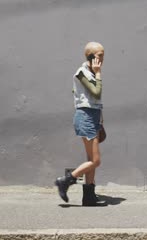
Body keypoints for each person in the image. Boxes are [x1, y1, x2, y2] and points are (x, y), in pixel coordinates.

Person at [55, 41, 105, 206]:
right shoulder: (81, 73)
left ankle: (89, 195)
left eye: (103, 56)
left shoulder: (90, 72)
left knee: (91, 158)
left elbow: (96, 101)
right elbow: (96, 93)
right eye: (99, 56)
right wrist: (98, 73)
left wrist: (101, 122)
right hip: (85, 117)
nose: (102, 60)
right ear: (90, 57)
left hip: (93, 116)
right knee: (96, 160)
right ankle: (66, 181)